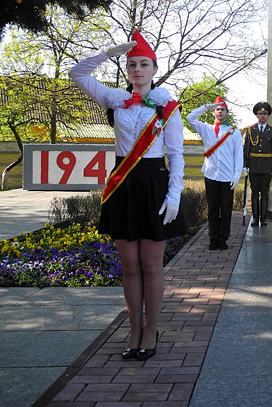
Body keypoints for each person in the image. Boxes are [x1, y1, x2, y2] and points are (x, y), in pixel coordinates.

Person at [70, 30, 187, 360]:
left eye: (143, 64)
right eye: (131, 64)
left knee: (151, 265)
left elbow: (176, 154)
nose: (137, 69)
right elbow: (77, 73)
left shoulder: (167, 107)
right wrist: (107, 52)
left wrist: (175, 195)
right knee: (129, 266)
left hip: (154, 184)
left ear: (154, 69)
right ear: (127, 70)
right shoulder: (113, 99)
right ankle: (133, 329)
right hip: (122, 184)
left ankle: (151, 329)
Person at [187, 96, 243, 250]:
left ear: (227, 113)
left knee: (226, 210)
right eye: (217, 109)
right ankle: (213, 239)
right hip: (211, 174)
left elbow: (238, 154)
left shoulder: (234, 132)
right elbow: (189, 117)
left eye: (223, 109)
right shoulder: (206, 128)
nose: (220, 112)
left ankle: (223, 238)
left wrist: (237, 174)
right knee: (212, 209)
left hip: (227, 177)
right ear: (213, 112)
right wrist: (205, 106)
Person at [243, 102, 272, 226]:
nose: (263, 116)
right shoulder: (250, 130)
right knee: (254, 192)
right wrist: (245, 165)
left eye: (265, 114)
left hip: (267, 166)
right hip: (253, 165)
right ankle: (254, 218)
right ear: (256, 115)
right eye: (260, 114)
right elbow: (246, 149)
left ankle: (263, 219)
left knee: (264, 192)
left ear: (268, 116)